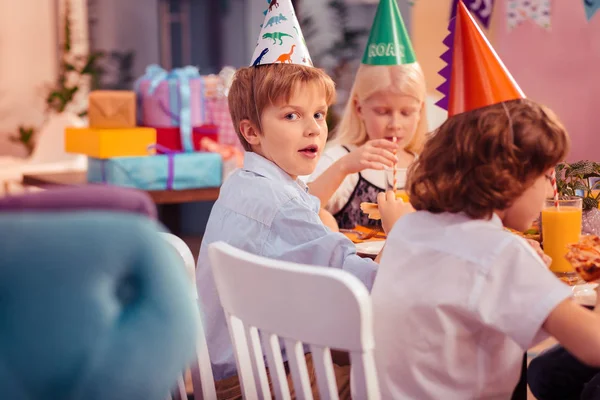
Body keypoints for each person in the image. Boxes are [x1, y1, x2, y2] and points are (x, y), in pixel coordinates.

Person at [195, 1, 411, 397]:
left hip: (228, 365)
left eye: (318, 114)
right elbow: (369, 289)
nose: (313, 129)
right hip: (258, 380)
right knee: (398, 372)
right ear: (252, 131)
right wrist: (400, 230)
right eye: (291, 116)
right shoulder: (283, 207)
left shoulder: (244, 183)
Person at [307, 0, 427, 231]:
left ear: (420, 110)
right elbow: (299, 210)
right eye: (382, 112)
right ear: (359, 108)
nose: (395, 124)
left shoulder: (425, 167)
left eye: (406, 112)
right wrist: (343, 167)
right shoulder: (340, 159)